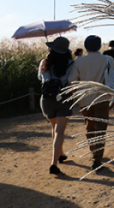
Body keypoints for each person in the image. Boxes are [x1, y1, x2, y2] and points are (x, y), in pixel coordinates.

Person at [67, 35, 114, 171]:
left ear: (85, 47)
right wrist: (113, 97)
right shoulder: (108, 59)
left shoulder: (79, 62)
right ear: (100, 45)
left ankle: (93, 152)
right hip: (102, 98)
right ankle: (97, 159)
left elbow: (72, 81)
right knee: (101, 129)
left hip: (85, 100)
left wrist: (77, 94)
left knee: (90, 127)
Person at [38, 36, 73, 175]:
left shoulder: (44, 62)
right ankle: (54, 163)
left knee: (54, 128)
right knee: (59, 131)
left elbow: (40, 78)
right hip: (64, 99)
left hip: (46, 100)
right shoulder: (71, 63)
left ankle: (61, 154)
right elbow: (71, 82)